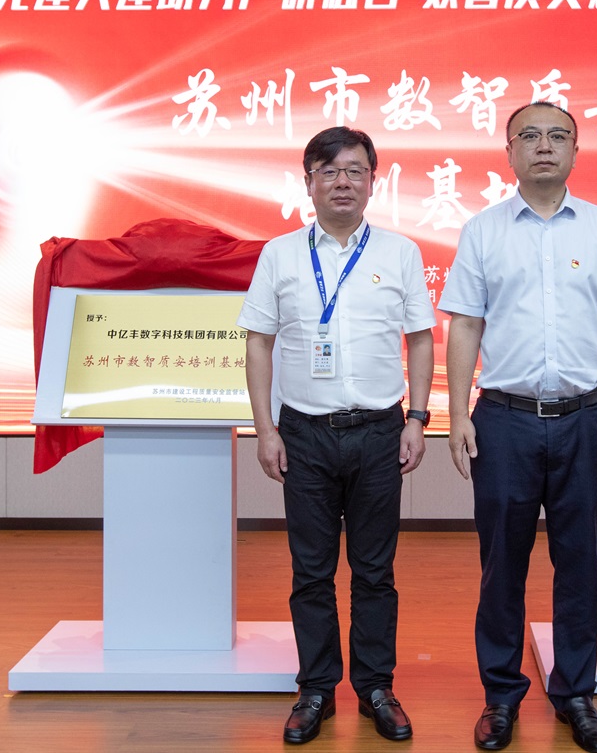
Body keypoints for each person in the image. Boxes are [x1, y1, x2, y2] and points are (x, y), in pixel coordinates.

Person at [438, 102, 597, 753]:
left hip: (587, 417)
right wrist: (456, 414)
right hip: (504, 420)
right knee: (501, 564)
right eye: (529, 136)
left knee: (579, 562)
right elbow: (465, 324)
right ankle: (501, 696)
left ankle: (576, 694)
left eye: (558, 135)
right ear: (508, 153)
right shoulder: (483, 231)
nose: (544, 146)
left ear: (576, 151)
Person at [239, 126, 435, 745]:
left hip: (379, 431)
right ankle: (316, 689)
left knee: (375, 571)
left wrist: (418, 418)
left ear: (374, 181)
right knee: (311, 571)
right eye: (329, 171)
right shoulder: (280, 254)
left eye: (354, 170)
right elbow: (258, 343)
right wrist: (265, 429)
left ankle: (376, 687)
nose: (342, 182)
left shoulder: (400, 253)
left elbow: (421, 339)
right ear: (309, 183)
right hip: (304, 433)